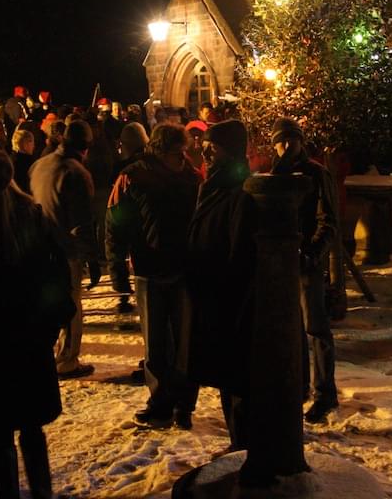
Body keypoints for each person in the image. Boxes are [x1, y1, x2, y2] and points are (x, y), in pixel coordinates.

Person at [0, 149, 71, 499]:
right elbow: (55, 274)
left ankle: (8, 492)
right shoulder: (30, 215)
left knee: (1, 431)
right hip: (28, 338)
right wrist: (50, 323)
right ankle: (41, 490)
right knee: (31, 425)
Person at [107, 125, 202, 429]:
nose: (182, 158)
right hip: (149, 270)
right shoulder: (133, 176)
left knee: (185, 343)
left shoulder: (191, 177)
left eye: (184, 152)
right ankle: (161, 403)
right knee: (156, 344)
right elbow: (115, 222)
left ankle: (184, 404)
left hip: (184, 269)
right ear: (160, 150)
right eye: (177, 153)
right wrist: (117, 267)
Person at [183, 120, 258, 451]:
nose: (206, 155)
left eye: (212, 149)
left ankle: (245, 445)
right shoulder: (212, 187)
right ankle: (238, 440)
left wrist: (223, 292)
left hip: (228, 300)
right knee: (227, 375)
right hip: (209, 295)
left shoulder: (240, 193)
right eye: (204, 148)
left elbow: (240, 254)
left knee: (238, 375)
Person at [268, 118, 339, 423]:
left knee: (316, 328)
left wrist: (312, 253)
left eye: (291, 140)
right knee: (292, 328)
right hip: (283, 263)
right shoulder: (276, 174)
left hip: (307, 261)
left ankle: (325, 393)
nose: (286, 147)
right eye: (280, 142)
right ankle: (298, 388)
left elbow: (328, 220)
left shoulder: (316, 174)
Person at [29, 119, 98, 379]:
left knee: (50, 303)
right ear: (86, 146)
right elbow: (82, 222)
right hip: (66, 250)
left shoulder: (40, 164)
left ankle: (51, 353)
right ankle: (67, 360)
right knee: (70, 305)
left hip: (41, 247)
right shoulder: (76, 173)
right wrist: (91, 258)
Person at [11, 128, 37, 194]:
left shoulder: (10, 159)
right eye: (31, 142)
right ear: (25, 144)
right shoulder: (28, 162)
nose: (34, 146)